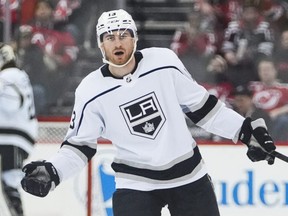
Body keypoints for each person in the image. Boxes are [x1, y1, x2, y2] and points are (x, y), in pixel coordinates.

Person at [21, 9, 277, 216]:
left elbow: (204, 108)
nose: (117, 42)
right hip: (135, 183)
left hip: (188, 175)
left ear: (134, 38)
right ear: (101, 45)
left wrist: (245, 131)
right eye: (109, 38)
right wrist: (53, 171)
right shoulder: (90, 90)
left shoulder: (163, 62)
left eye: (123, 35)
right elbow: (78, 146)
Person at [0, 43, 38, 216]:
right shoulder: (17, 74)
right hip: (16, 135)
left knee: (10, 179)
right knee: (9, 180)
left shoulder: (8, 75)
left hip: (11, 136)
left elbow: (12, 103)